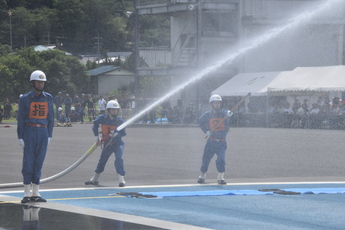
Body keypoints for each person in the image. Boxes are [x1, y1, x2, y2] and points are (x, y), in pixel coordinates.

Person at [17, 70, 54, 203]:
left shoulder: (48, 98)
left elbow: (51, 117)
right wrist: (20, 136)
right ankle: (27, 193)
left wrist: (49, 135)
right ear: (32, 83)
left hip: (43, 131)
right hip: (29, 131)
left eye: (42, 82)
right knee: (28, 162)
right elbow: (20, 118)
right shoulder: (24, 99)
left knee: (39, 162)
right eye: (38, 82)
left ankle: (36, 192)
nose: (40, 84)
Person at [85, 100, 127, 187]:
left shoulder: (120, 121)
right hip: (107, 144)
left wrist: (117, 134)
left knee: (119, 159)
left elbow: (123, 133)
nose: (115, 111)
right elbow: (95, 124)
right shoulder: (102, 118)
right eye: (113, 109)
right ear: (108, 110)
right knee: (102, 160)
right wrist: (96, 136)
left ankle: (121, 180)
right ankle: (95, 178)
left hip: (118, 143)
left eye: (116, 110)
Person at [197, 94, 233, 185]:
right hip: (211, 141)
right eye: (215, 103)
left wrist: (229, 113)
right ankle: (202, 176)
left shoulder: (224, 113)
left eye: (219, 103)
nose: (217, 105)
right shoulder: (207, 115)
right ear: (212, 104)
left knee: (221, 160)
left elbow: (227, 112)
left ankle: (220, 178)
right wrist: (206, 131)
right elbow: (200, 122)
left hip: (221, 142)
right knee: (206, 159)